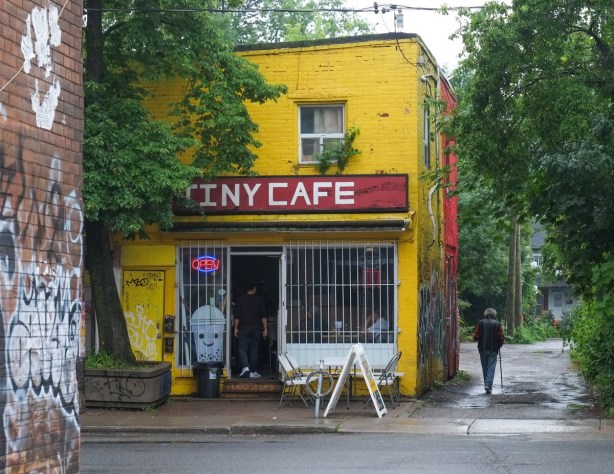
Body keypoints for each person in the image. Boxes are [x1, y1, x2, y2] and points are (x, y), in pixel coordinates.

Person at [233, 282, 268, 378]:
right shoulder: (259, 299)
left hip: (244, 327)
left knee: (242, 348)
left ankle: (245, 367)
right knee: (254, 349)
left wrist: (235, 328)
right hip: (256, 328)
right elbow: (263, 315)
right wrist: (265, 329)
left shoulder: (240, 299)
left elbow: (237, 316)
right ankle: (252, 370)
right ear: (254, 289)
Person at [473, 307, 505, 394]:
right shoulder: (497, 324)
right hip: (493, 349)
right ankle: (488, 385)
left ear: (485, 314)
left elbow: (475, 336)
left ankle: (487, 384)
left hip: (482, 349)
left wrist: (480, 339)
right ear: (494, 315)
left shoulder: (480, 323)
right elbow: (501, 338)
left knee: (485, 367)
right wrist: (499, 345)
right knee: (491, 366)